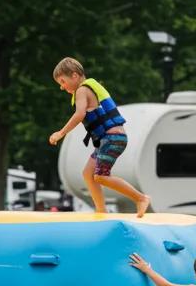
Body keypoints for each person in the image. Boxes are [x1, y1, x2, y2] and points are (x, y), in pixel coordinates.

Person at [48, 57, 150, 217]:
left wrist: (61, 133)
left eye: (62, 81)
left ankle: (141, 198)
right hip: (107, 139)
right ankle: (101, 211)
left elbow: (80, 114)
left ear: (74, 75)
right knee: (88, 174)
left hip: (113, 138)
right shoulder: (88, 88)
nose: (62, 87)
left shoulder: (82, 89)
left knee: (101, 176)